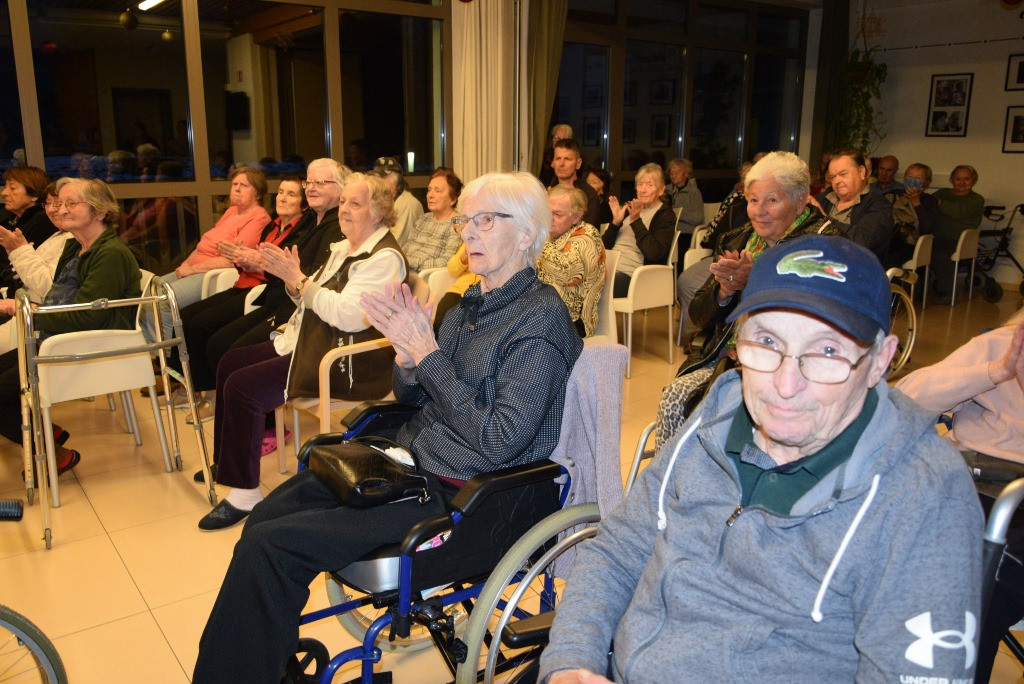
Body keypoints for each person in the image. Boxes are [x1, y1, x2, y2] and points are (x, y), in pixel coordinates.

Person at [539, 234, 983, 684]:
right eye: (767, 342)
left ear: (879, 360)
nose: (785, 385)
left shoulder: (922, 492)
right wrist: (573, 660)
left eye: (827, 351)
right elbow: (620, 547)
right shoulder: (714, 418)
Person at [192, 171, 583, 682]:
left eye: (486, 221)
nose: (468, 232)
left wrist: (429, 354)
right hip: (408, 463)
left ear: (528, 233)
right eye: (467, 220)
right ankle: (268, 661)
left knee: (273, 547)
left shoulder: (540, 321)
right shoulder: (469, 303)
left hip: (460, 494)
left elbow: (497, 441)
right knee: (263, 521)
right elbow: (413, 395)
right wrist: (407, 356)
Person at [194, 172, 400, 528]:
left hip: (345, 360)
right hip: (310, 342)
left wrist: (298, 280)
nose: (345, 211)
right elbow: (309, 299)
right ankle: (231, 462)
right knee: (230, 363)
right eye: (345, 202)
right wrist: (294, 283)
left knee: (243, 387)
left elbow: (348, 317)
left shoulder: (383, 259)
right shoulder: (343, 248)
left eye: (356, 203)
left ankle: (244, 495)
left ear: (379, 211)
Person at [658, 151, 843, 449]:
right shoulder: (738, 240)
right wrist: (725, 292)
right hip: (726, 359)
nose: (759, 211)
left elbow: (814, 317)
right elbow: (699, 315)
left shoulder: (825, 244)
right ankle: (673, 481)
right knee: (676, 396)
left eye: (771, 200)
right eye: (753, 200)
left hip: (789, 371)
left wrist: (754, 281)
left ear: (799, 201)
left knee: (720, 417)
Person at [895, 306, 1024, 681]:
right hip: (975, 483)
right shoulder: (1000, 345)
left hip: (1017, 508)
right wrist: (994, 372)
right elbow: (902, 402)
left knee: (979, 596)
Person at [0, 178, 141, 475]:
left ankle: (53, 453)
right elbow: (62, 299)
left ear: (100, 212)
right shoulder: (76, 246)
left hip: (89, 345)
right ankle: (47, 435)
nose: (60, 210)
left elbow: (88, 317)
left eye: (71, 203)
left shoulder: (110, 254)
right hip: (59, 338)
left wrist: (32, 312)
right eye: (59, 203)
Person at [169, 175, 309, 407]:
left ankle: (212, 395)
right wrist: (241, 257)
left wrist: (256, 262)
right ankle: (190, 388)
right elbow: (253, 262)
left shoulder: (298, 234)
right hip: (243, 284)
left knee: (204, 327)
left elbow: (279, 273)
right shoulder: (272, 226)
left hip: (258, 291)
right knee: (185, 317)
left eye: (291, 194)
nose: (283, 198)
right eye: (281, 192)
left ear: (303, 205)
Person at [141, 165, 270, 342]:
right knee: (147, 294)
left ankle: (169, 354)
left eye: (244, 185)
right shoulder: (232, 211)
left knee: (163, 301)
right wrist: (185, 264)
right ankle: (154, 349)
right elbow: (205, 244)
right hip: (196, 267)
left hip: (212, 274)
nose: (237, 189)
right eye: (234, 184)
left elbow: (233, 260)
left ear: (258, 193)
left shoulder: (259, 218)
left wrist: (192, 269)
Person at [675, 161, 753, 349]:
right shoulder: (735, 203)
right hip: (721, 253)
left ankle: (710, 334)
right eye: (745, 180)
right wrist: (723, 252)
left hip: (746, 259)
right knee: (686, 281)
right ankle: (696, 330)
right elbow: (718, 233)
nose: (747, 185)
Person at [0, 182, 72, 353]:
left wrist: (21, 251)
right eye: (48, 203)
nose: (54, 210)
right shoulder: (58, 235)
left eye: (59, 203)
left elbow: (48, 287)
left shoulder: (75, 242)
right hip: (28, 311)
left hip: (41, 321)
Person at [539, 185, 606, 337]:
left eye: (557, 214)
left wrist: (540, 240)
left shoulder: (587, 236)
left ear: (576, 216)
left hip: (573, 322)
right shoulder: (553, 235)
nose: (549, 219)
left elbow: (566, 274)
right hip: (545, 312)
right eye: (547, 212)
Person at [601, 162, 675, 298]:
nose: (643, 190)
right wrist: (615, 223)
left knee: (590, 288)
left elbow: (654, 252)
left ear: (661, 190)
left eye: (650, 185)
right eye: (640, 184)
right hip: (607, 268)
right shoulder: (630, 210)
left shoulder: (665, 215)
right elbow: (602, 247)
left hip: (633, 276)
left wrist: (636, 221)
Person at [810, 149, 894, 263]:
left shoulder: (880, 206)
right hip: (814, 262)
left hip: (856, 272)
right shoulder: (822, 199)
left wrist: (823, 217)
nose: (837, 181)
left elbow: (861, 243)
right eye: (833, 177)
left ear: (861, 172)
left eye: (843, 174)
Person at [0, 167, 58, 297]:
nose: (4, 193)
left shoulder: (43, 220)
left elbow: (15, 266)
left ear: (34, 195)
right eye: (5, 187)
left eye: (12, 188)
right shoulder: (8, 217)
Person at [931, 164, 984, 303]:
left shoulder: (977, 199)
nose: (962, 182)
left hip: (959, 241)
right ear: (952, 180)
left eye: (966, 179)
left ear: (973, 181)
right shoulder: (942, 193)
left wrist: (939, 203)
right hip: (934, 237)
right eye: (958, 179)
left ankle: (949, 292)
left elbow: (958, 212)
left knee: (939, 252)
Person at [399, 166, 463, 272]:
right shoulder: (423, 219)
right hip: (405, 272)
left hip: (427, 278)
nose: (430, 195)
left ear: (453, 199)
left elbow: (447, 261)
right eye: (429, 190)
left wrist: (410, 262)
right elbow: (405, 249)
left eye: (437, 191)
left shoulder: (458, 222)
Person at [549, 139, 601, 229]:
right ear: (553, 162)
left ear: (578, 163)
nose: (561, 164)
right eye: (558, 159)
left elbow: (588, 232)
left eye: (567, 159)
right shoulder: (548, 191)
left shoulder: (589, 195)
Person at [373, 156, 423, 244]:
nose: (378, 182)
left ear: (397, 181)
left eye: (383, 177)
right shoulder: (386, 201)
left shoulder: (408, 204)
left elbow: (395, 243)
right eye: (376, 177)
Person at [665, 157, 704, 239]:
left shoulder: (693, 192)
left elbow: (697, 218)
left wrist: (676, 213)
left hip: (686, 233)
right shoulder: (666, 191)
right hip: (668, 232)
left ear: (686, 174)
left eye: (677, 172)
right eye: (672, 173)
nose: (673, 175)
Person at [539, 122, 574, 187]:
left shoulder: (573, 158)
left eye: (562, 139)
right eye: (556, 138)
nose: (558, 141)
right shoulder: (545, 157)